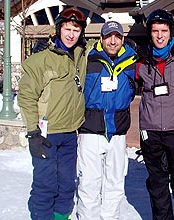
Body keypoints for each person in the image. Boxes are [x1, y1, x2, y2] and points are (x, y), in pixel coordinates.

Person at [17, 7, 89, 220]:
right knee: (45, 185)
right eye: (67, 29)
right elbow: (26, 97)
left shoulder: (81, 54)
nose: (71, 34)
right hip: (45, 134)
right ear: (58, 29)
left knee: (67, 185)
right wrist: (32, 132)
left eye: (76, 30)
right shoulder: (41, 60)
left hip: (70, 134)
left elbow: (108, 45)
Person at [135, 9, 174, 220]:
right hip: (150, 132)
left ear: (171, 32)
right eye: (155, 31)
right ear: (149, 33)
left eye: (164, 30)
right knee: (158, 184)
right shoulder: (140, 61)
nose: (160, 35)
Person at [76, 21, 138, 219]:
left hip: (118, 132)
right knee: (89, 183)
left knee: (115, 184)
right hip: (90, 130)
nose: (113, 41)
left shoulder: (132, 60)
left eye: (117, 37)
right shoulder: (88, 58)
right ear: (101, 39)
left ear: (122, 39)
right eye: (108, 36)